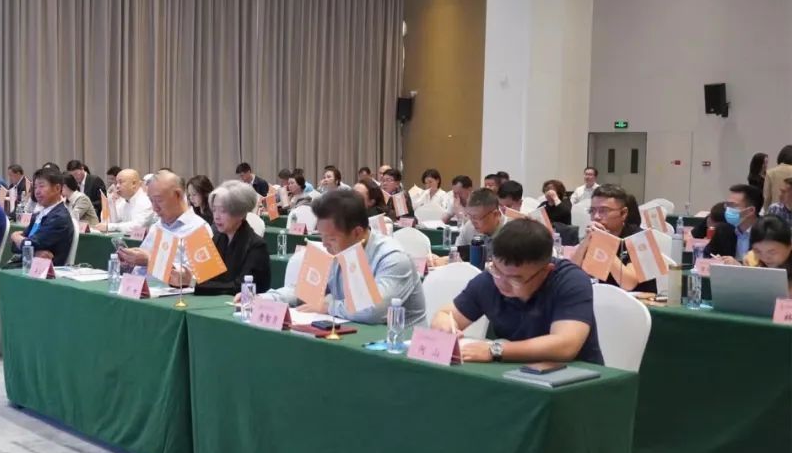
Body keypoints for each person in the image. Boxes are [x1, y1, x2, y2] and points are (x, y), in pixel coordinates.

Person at [430, 219, 603, 364]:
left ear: (546, 271)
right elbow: (446, 314)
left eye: (515, 279)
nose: (502, 283)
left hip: (577, 380)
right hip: (517, 373)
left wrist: (495, 350)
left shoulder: (570, 281)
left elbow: (565, 345)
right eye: (497, 270)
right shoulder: (490, 279)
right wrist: (445, 326)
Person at [258, 190, 426, 326]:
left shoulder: (393, 258)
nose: (324, 244)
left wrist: (328, 306)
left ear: (357, 232)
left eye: (331, 239)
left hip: (397, 343)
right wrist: (266, 299)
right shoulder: (332, 249)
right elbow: (303, 291)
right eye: (321, 236)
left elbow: (374, 311)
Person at [116, 172, 209, 287]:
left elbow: (198, 280)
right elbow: (144, 259)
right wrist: (132, 259)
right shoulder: (157, 226)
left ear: (178, 195)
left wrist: (151, 261)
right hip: (141, 289)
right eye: (151, 201)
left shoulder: (198, 228)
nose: (155, 208)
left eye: (159, 200)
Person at [570, 184, 656, 293]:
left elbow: (628, 284)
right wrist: (586, 242)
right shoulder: (594, 236)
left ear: (623, 213)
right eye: (592, 211)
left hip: (637, 301)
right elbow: (571, 274)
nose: (596, 217)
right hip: (603, 297)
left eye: (603, 211)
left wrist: (603, 242)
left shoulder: (642, 238)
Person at [191, 181, 271, 295]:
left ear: (241, 213)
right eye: (214, 209)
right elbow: (206, 277)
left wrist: (194, 283)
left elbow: (239, 286)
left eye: (223, 211)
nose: (216, 216)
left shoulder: (257, 246)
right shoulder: (217, 238)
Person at [8, 169, 74, 264]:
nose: (37, 192)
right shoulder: (39, 215)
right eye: (35, 187)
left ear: (57, 188)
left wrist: (14, 236)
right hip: (27, 265)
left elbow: (30, 244)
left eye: (42, 186)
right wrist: (34, 252)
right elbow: (15, 247)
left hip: (44, 270)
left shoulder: (59, 217)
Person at [705, 184, 763, 262]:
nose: (727, 210)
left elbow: (768, 266)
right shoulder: (723, 230)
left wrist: (739, 266)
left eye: (732, 205)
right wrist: (715, 260)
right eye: (727, 205)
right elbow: (706, 256)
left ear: (750, 211)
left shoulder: (766, 232)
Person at [93, 169, 154, 233]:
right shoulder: (123, 201)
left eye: (120, 182)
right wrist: (111, 203)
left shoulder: (146, 201)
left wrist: (111, 227)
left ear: (133, 183)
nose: (117, 186)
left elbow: (138, 226)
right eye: (116, 183)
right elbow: (112, 221)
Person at [741, 216, 792, 289]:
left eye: (772, 252)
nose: (765, 258)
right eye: (758, 251)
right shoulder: (751, 260)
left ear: (790, 246)